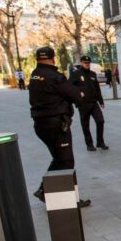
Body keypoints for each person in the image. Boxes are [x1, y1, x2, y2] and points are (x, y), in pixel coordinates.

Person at [29, 46, 91, 207]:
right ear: (53, 58)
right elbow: (76, 95)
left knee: (58, 159)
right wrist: (80, 94)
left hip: (40, 124)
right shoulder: (54, 76)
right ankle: (66, 201)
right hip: (56, 124)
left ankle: (44, 190)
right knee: (66, 161)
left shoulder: (35, 74)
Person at [69, 56, 109, 151]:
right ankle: (89, 144)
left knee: (100, 121)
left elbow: (97, 89)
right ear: (81, 63)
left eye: (88, 63)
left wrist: (101, 101)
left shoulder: (93, 74)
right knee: (85, 125)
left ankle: (100, 142)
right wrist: (78, 93)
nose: (87, 64)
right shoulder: (76, 74)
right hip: (83, 104)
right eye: (85, 63)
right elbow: (69, 86)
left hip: (94, 102)